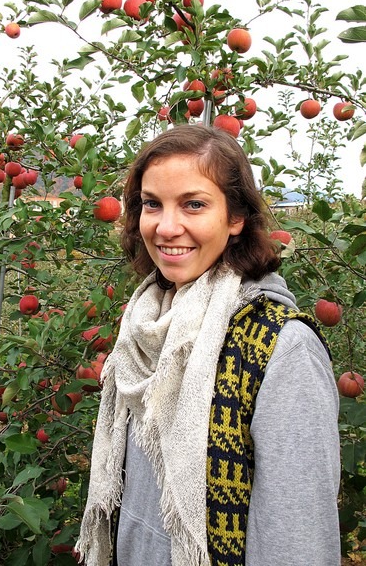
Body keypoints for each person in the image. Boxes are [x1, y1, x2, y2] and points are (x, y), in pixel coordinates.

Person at [76, 125, 340, 566]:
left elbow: (298, 541)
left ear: (235, 218)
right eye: (151, 204)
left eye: (194, 205)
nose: (166, 227)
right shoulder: (144, 327)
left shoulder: (281, 348)